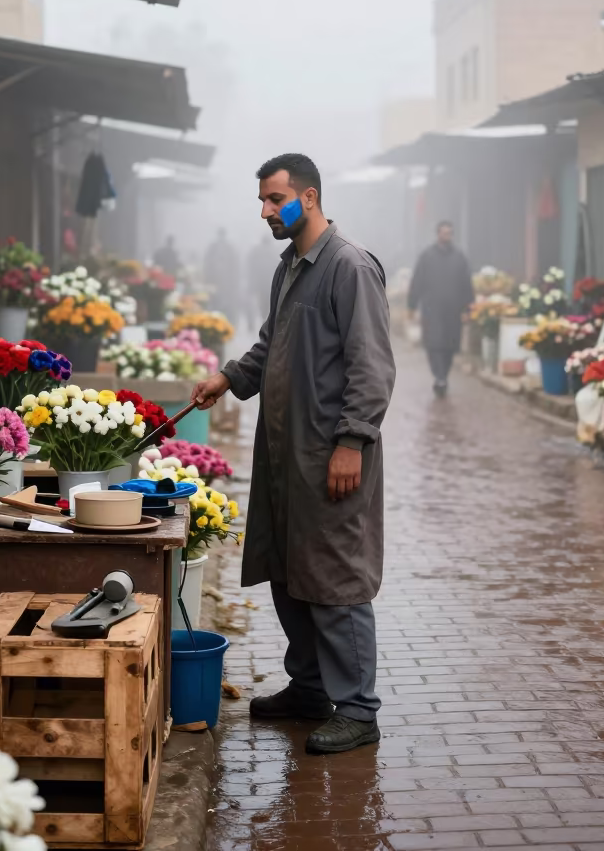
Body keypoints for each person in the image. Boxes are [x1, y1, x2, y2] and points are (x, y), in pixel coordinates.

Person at [193, 152, 395, 755]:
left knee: (335, 577)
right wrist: (228, 378)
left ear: (307, 198)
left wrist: (352, 442)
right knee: (289, 570)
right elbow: (271, 343)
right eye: (260, 200)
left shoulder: (348, 268)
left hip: (331, 453)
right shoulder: (290, 268)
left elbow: (372, 365)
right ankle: (309, 689)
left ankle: (358, 710)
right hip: (284, 453)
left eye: (272, 199)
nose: (263, 212)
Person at [407, 221, 474, 395]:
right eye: (444, 233)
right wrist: (412, 305)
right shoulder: (427, 256)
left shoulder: (459, 257)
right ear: (437, 234)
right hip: (432, 309)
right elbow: (417, 282)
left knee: (450, 346)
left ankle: (443, 375)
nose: (446, 236)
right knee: (433, 344)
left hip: (453, 310)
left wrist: (468, 309)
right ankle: (439, 377)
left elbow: (467, 284)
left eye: (449, 233)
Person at [203, 228, 240, 324]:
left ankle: (228, 322)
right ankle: (216, 321)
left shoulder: (227, 248)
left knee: (226, 303)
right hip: (217, 281)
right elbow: (207, 264)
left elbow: (235, 265)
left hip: (226, 282)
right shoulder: (214, 248)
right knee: (216, 302)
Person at [246, 233, 279, 330]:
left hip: (258, 283)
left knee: (254, 304)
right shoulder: (273, 251)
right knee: (264, 304)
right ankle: (263, 321)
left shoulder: (256, 251)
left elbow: (250, 266)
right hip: (267, 283)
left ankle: (254, 324)